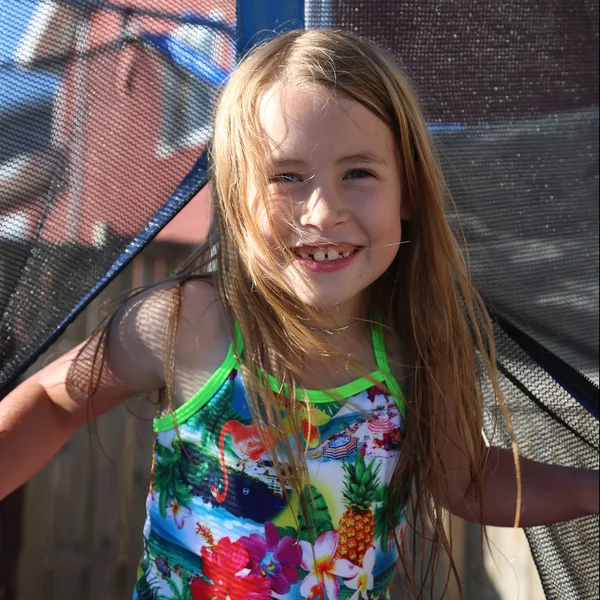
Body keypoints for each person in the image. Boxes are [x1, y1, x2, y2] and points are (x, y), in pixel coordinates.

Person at [0, 29, 597, 600]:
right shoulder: (193, 324)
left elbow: (466, 482)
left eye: (358, 173)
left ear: (409, 191)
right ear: (236, 197)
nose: (323, 210)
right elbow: (55, 399)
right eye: (286, 177)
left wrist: (590, 488)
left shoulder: (412, 345)